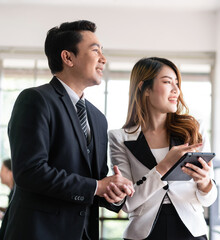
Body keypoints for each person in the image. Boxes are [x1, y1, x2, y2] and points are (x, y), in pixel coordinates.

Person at [0, 20, 134, 240]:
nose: (103, 59)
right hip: (37, 232)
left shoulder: (98, 118)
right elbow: (30, 172)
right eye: (95, 50)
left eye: (103, 51)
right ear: (68, 57)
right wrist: (97, 186)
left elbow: (95, 182)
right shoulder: (35, 99)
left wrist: (113, 192)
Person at [108, 57, 218, 240]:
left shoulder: (194, 129)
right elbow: (127, 203)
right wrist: (163, 167)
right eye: (167, 82)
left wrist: (205, 182)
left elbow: (209, 198)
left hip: (191, 232)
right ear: (145, 89)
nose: (176, 90)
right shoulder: (119, 138)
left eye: (177, 83)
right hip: (142, 234)